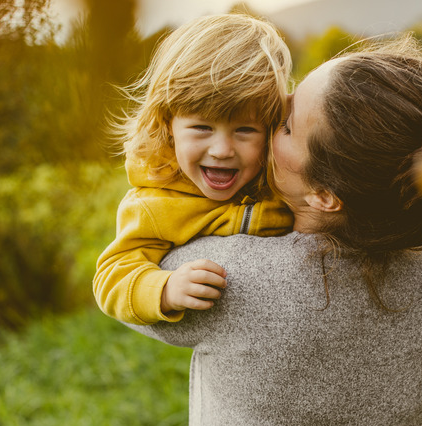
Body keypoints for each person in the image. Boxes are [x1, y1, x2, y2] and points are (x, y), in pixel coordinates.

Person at [122, 35, 422, 426]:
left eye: (284, 126)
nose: (271, 114)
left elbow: (133, 273)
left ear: (323, 195)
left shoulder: (230, 278)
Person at [93, 14, 293, 326]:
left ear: (270, 130)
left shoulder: (282, 176)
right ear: (167, 125)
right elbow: (112, 276)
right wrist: (165, 289)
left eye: (245, 130)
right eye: (202, 128)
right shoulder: (156, 203)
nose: (222, 150)